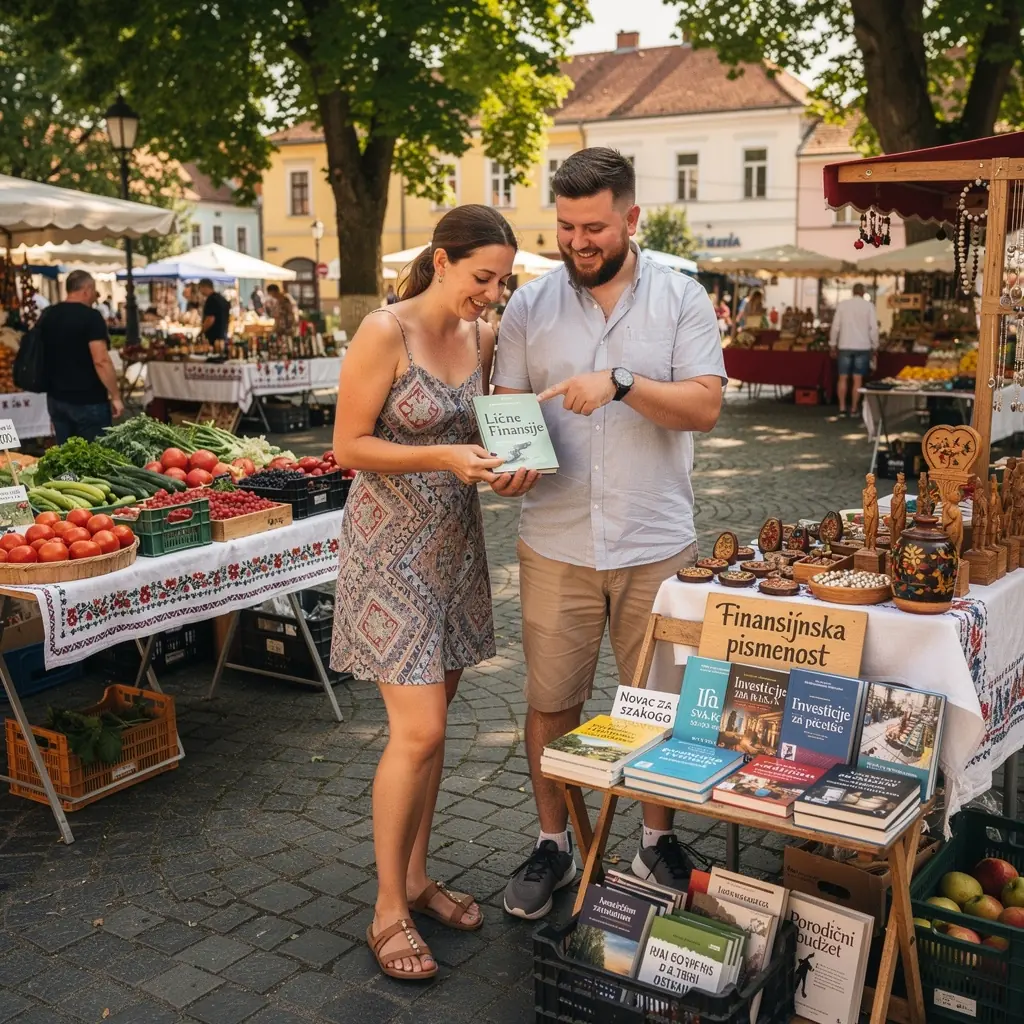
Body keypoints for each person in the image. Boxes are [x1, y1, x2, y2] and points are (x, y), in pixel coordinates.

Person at [492, 147, 726, 920]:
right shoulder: (529, 305)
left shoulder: (683, 298)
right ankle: (553, 841)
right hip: (554, 538)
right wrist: (512, 460)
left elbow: (703, 407)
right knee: (553, 702)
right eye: (565, 226)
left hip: (656, 540)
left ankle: (653, 839)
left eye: (593, 226)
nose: (577, 241)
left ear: (631, 218)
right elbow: (508, 407)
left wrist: (622, 383)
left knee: (655, 702)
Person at [330, 205, 516, 980]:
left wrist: (513, 460)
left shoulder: (484, 337)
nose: (492, 293)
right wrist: (446, 456)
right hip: (388, 552)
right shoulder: (385, 330)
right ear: (442, 260)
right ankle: (386, 910)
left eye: (503, 281)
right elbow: (348, 446)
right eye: (483, 277)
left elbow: (493, 427)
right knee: (420, 732)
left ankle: (415, 876)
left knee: (435, 732)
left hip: (454, 550)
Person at [41, 270, 124, 443]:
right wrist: (115, 396)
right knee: (95, 459)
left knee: (66, 457)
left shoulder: (48, 314)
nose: (95, 296)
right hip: (89, 401)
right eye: (94, 290)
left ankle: (68, 473)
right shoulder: (91, 317)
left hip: (56, 399)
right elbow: (100, 360)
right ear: (86, 289)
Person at [830, 282, 879, 417]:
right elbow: (873, 328)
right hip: (862, 346)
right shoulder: (869, 306)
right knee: (857, 379)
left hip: (845, 345)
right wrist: (875, 346)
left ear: (852, 292)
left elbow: (835, 326)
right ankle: (854, 408)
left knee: (843, 377)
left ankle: (841, 408)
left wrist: (833, 344)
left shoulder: (843, 305)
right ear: (863, 292)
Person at [198, 278, 230, 344]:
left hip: (213, 337)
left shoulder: (211, 300)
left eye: (200, 288)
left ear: (205, 287)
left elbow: (210, 319)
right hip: (223, 335)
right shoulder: (222, 299)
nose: (200, 291)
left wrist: (201, 332)